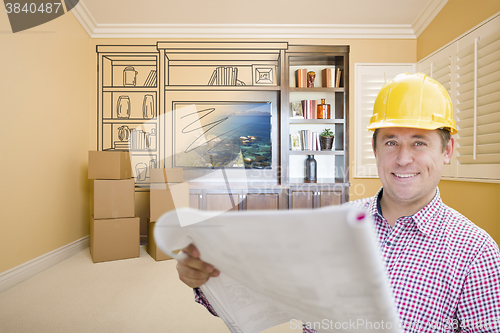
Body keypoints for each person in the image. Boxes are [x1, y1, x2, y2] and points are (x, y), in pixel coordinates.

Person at [175, 73, 500, 332]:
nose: (403, 159)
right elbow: (264, 294)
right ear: (375, 150)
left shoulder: (477, 253)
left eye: (419, 142)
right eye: (391, 141)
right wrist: (207, 279)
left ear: (447, 150)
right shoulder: (331, 223)